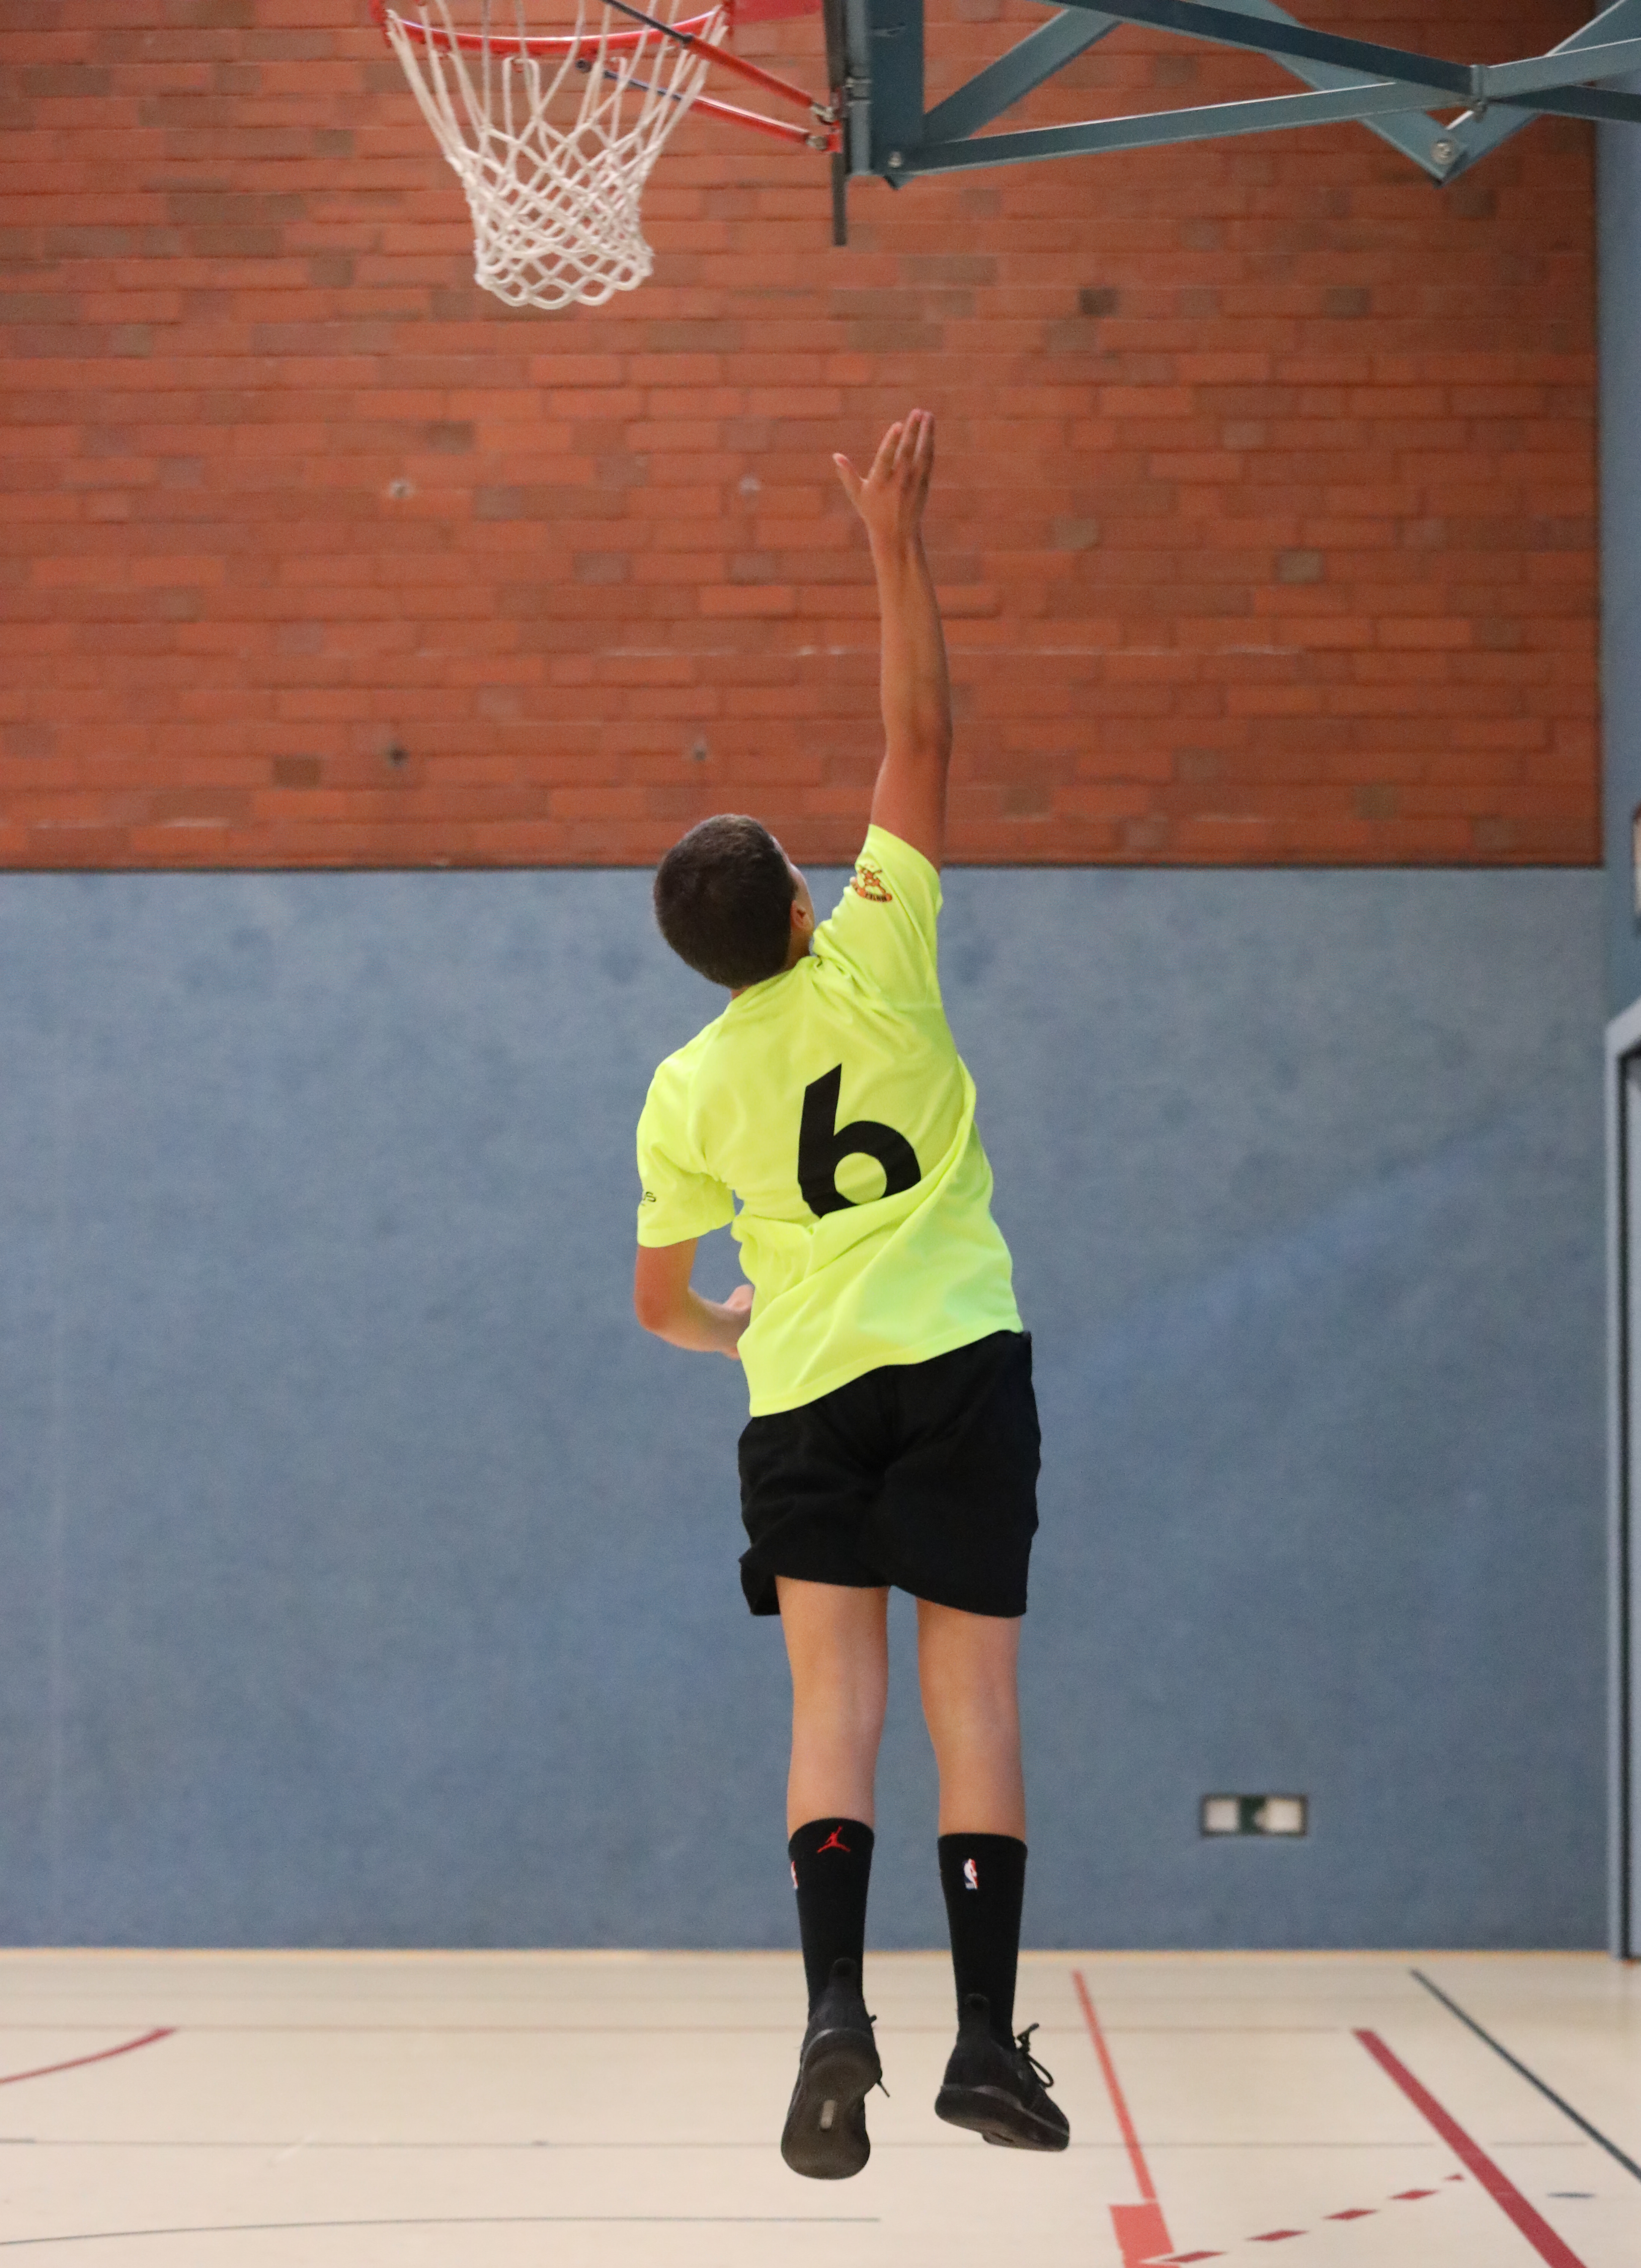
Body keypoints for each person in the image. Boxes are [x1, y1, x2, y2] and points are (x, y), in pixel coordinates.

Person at [632, 410, 1068, 2181]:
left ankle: (832, 2017)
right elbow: (920, 733)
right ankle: (982, 2042)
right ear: (808, 905)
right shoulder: (883, 952)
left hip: (801, 1392)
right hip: (956, 1362)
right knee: (976, 1703)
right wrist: (891, 539)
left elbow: (660, 1306)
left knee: (835, 1709)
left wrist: (734, 1326)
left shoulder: (684, 1089)